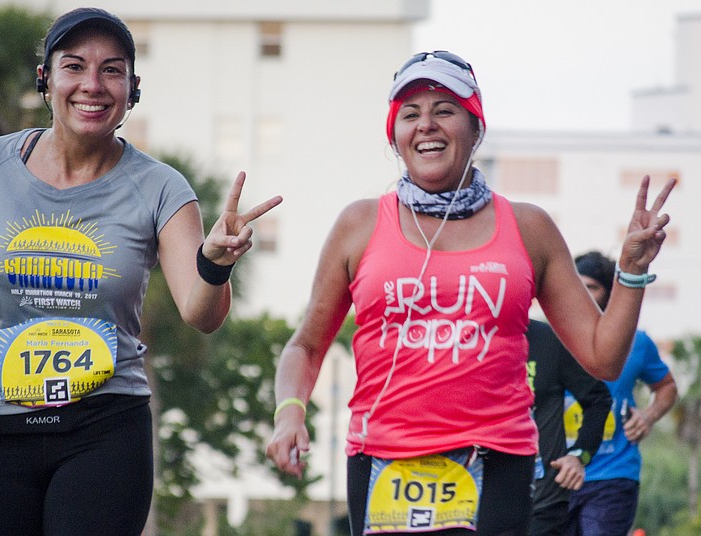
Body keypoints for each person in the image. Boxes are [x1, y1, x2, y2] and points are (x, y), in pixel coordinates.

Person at [0, 7, 281, 536]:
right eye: (74, 66)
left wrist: (213, 264)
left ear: (132, 88)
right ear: (46, 79)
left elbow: (201, 312)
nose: (92, 85)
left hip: (104, 431)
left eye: (112, 69)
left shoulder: (161, 188)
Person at [264, 50, 676, 536]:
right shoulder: (359, 224)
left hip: (497, 458)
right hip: (381, 460)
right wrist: (289, 413)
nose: (426, 126)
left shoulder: (529, 227)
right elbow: (306, 346)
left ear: (476, 127)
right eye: (410, 115)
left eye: (445, 110)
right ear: (394, 136)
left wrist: (630, 271)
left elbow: (602, 358)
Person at [564, 251, 678, 536]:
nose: (584, 295)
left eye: (592, 287)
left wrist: (649, 416)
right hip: (559, 474)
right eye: (578, 287)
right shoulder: (552, 339)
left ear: (610, 292)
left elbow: (666, 387)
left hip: (612, 474)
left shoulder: (636, 343)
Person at [526, 318, 612, 536]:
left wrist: (578, 455)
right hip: (470, 501)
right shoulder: (458, 342)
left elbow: (597, 400)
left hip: (542, 502)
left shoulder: (549, 340)